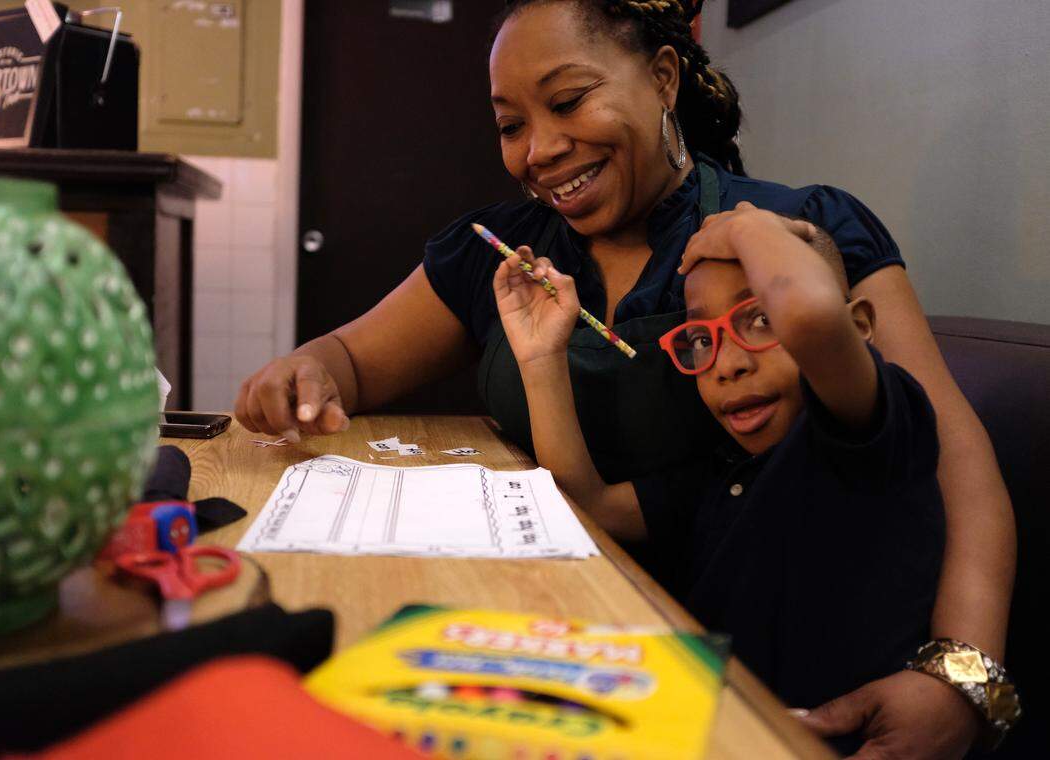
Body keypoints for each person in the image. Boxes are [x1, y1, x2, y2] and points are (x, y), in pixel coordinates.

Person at [236, 1, 1016, 754]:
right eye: (511, 126)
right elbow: (350, 360)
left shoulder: (790, 240)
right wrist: (307, 369)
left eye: (569, 101)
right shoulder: (502, 252)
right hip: (564, 641)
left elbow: (954, 459)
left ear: (665, 79)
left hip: (765, 675)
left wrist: (962, 681)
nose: (537, 150)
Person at [490, 201, 945, 752]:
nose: (727, 363)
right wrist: (542, 359)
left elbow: (812, 316)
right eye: (703, 339)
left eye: (760, 319)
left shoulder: (869, 434)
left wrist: (748, 224)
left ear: (859, 327)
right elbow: (590, 504)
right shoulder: (724, 469)